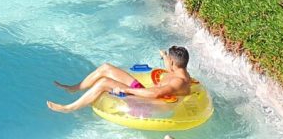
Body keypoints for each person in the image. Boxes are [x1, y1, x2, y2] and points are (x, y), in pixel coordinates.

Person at [46, 46, 193, 113]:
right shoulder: (178, 69)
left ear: (174, 62)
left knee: (103, 83)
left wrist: (126, 90)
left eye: (168, 60)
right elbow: (169, 66)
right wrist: (164, 55)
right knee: (106, 68)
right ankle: (74, 88)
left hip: (148, 104)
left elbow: (156, 94)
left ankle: (69, 108)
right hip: (144, 93)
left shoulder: (178, 82)